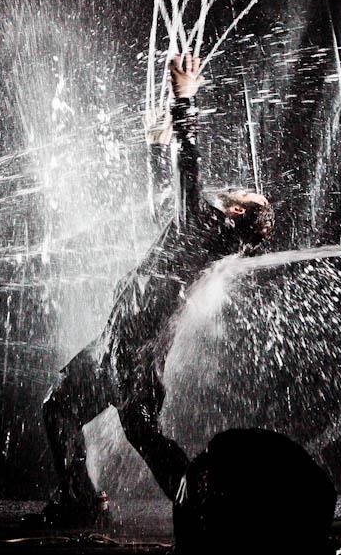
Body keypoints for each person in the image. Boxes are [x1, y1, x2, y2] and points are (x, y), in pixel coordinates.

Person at [38, 54, 275, 527]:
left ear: (234, 215)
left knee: (137, 430)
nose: (243, 189)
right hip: (122, 344)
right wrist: (154, 144)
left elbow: (187, 167)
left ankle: (206, 510)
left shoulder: (206, 226)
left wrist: (182, 100)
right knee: (65, 410)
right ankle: (85, 500)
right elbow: (165, 202)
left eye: (250, 196)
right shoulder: (206, 236)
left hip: (133, 350)